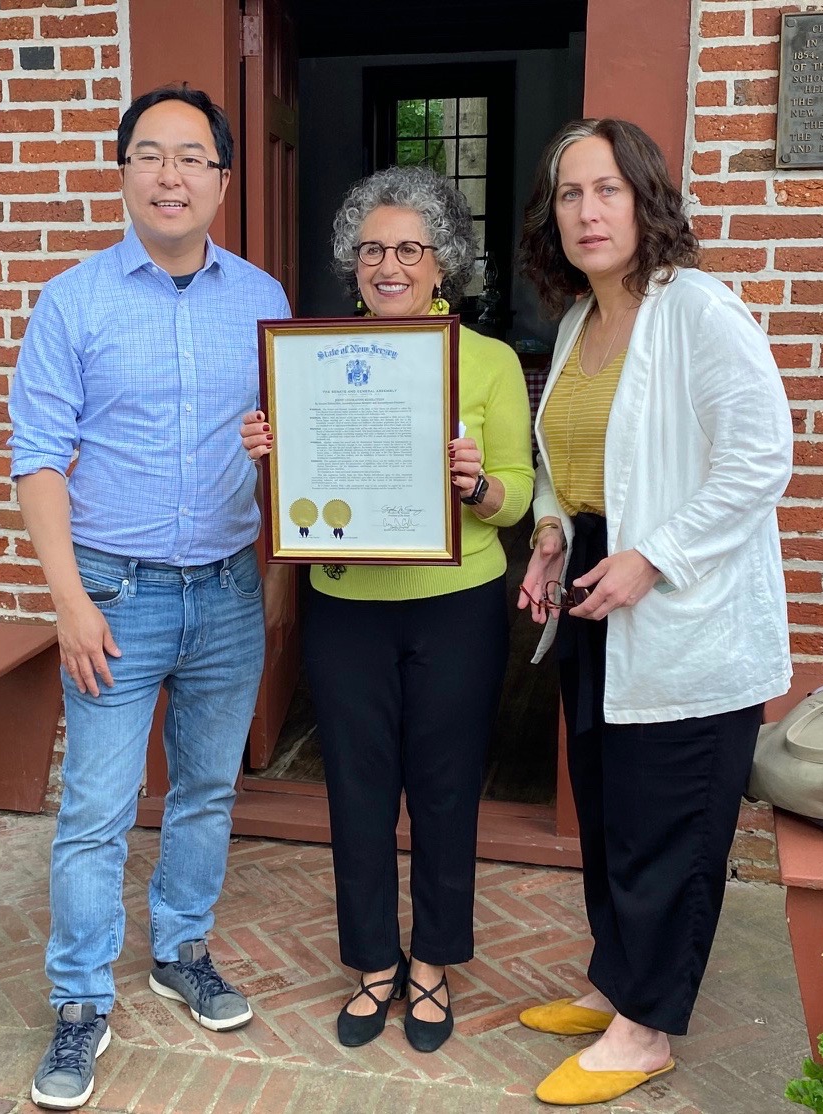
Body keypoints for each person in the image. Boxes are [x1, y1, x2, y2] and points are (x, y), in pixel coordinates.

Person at [9, 84, 290, 1111]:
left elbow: (295, 454)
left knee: (208, 791)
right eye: (149, 155)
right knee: (94, 808)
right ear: (123, 170)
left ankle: (181, 948)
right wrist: (68, 601)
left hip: (224, 589)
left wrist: (277, 569)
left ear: (222, 179)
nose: (170, 176)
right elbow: (38, 460)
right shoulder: (72, 301)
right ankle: (80, 1001)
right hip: (113, 595)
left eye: (191, 159)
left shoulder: (263, 299)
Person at [513, 118, 793, 1106]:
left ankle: (644, 1031)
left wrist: (653, 559)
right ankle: (613, 982)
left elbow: (759, 461)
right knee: (609, 804)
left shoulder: (699, 311)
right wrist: (552, 530)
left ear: (646, 199)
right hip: (597, 582)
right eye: (568, 194)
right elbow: (567, 461)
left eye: (607, 190)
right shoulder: (578, 322)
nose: (586, 212)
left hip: (684, 605)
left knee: (669, 821)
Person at [241, 166, 534, 1053]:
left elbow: (516, 497)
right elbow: (306, 488)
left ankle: (435, 964)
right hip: (346, 606)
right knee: (359, 791)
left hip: (458, 606)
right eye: (372, 249)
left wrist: (475, 483)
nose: (389, 264)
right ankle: (374, 962)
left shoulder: (485, 363)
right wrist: (275, 452)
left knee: (444, 791)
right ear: (353, 263)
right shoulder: (312, 359)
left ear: (443, 263)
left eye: (410, 248)